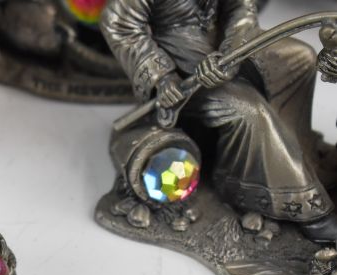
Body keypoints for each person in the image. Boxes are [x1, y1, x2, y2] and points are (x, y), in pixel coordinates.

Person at [102, 0, 337, 242]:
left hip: (228, 43)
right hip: (182, 62)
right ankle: (297, 202)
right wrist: (162, 77)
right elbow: (119, 24)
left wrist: (232, 47)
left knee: (301, 58)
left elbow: (241, 7)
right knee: (251, 110)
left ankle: (300, 156)